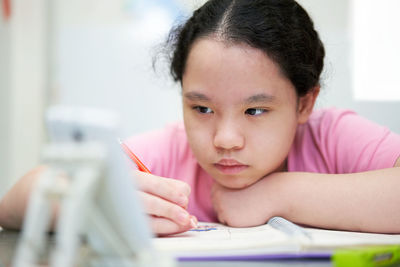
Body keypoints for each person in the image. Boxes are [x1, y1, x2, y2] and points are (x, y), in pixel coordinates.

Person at [1, 0, 400, 236]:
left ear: (304, 104)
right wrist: (100, 200)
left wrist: (279, 194)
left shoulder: (329, 137)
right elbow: (12, 206)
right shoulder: (170, 152)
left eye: (255, 110)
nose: (225, 139)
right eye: (202, 108)